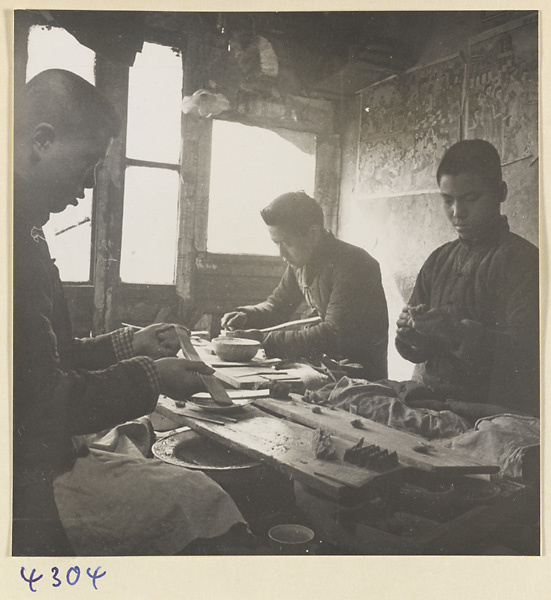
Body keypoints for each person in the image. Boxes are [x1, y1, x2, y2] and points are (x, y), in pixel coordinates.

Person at [13, 69, 245, 556]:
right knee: (207, 502)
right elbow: (40, 403)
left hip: (39, 454)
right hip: (22, 482)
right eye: (86, 164)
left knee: (153, 450)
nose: (89, 187)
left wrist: (130, 344)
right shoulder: (12, 238)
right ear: (41, 141)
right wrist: (152, 378)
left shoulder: (25, 228)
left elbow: (45, 361)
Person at [395, 139, 539, 418]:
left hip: (492, 411)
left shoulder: (524, 261)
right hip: (431, 401)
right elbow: (419, 352)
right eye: (447, 200)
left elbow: (527, 356)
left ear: (500, 192)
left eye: (471, 199)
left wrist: (456, 332)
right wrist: (411, 333)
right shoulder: (438, 260)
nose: (457, 213)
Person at [222, 191, 389, 381]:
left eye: (287, 243)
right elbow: (278, 305)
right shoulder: (301, 262)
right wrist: (247, 315)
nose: (281, 253)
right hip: (326, 369)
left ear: (313, 233)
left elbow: (332, 334)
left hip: (359, 378)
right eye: (276, 243)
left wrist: (263, 340)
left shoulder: (355, 264)